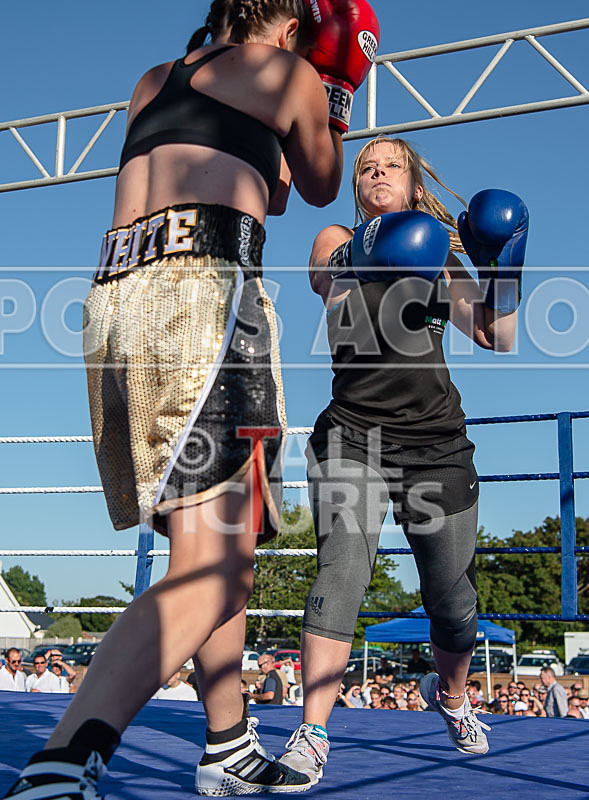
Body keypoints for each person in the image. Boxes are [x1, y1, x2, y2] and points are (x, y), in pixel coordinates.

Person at [2, 2, 380, 797]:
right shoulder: (292, 74)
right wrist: (336, 85)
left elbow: (265, 187)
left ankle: (228, 741)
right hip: (205, 298)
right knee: (218, 570)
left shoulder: (154, 81)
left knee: (208, 551)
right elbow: (316, 184)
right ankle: (64, 759)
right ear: (291, 29)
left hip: (116, 303)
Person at [280, 135, 528, 783]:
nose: (376, 173)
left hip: (437, 442)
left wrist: (504, 266)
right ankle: (311, 731)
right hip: (352, 436)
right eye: (365, 167)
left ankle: (449, 696)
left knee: (451, 601)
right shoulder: (334, 238)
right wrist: (374, 255)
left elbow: (496, 335)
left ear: (415, 185)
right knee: (339, 574)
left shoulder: (441, 257)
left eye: (390, 165)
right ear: (356, 187)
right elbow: (324, 283)